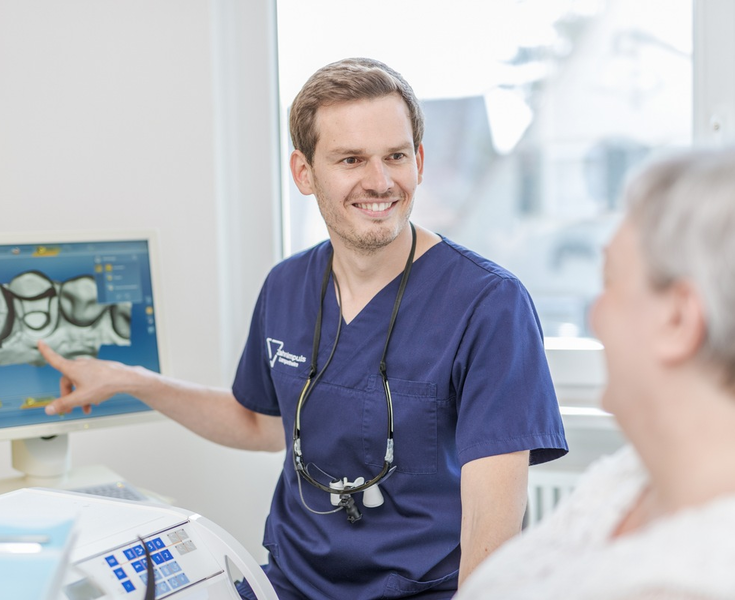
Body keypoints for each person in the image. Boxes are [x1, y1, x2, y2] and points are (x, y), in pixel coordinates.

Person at [39, 57, 567, 599]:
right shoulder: (288, 286)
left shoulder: (488, 304)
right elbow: (260, 423)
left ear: (420, 160)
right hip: (289, 585)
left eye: (395, 156)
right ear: (304, 173)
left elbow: (493, 532)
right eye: (351, 159)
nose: (380, 182)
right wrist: (135, 381)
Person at [457, 146, 735, 599]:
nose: (596, 315)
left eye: (610, 282)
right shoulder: (630, 477)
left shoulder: (692, 582)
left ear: (678, 320)